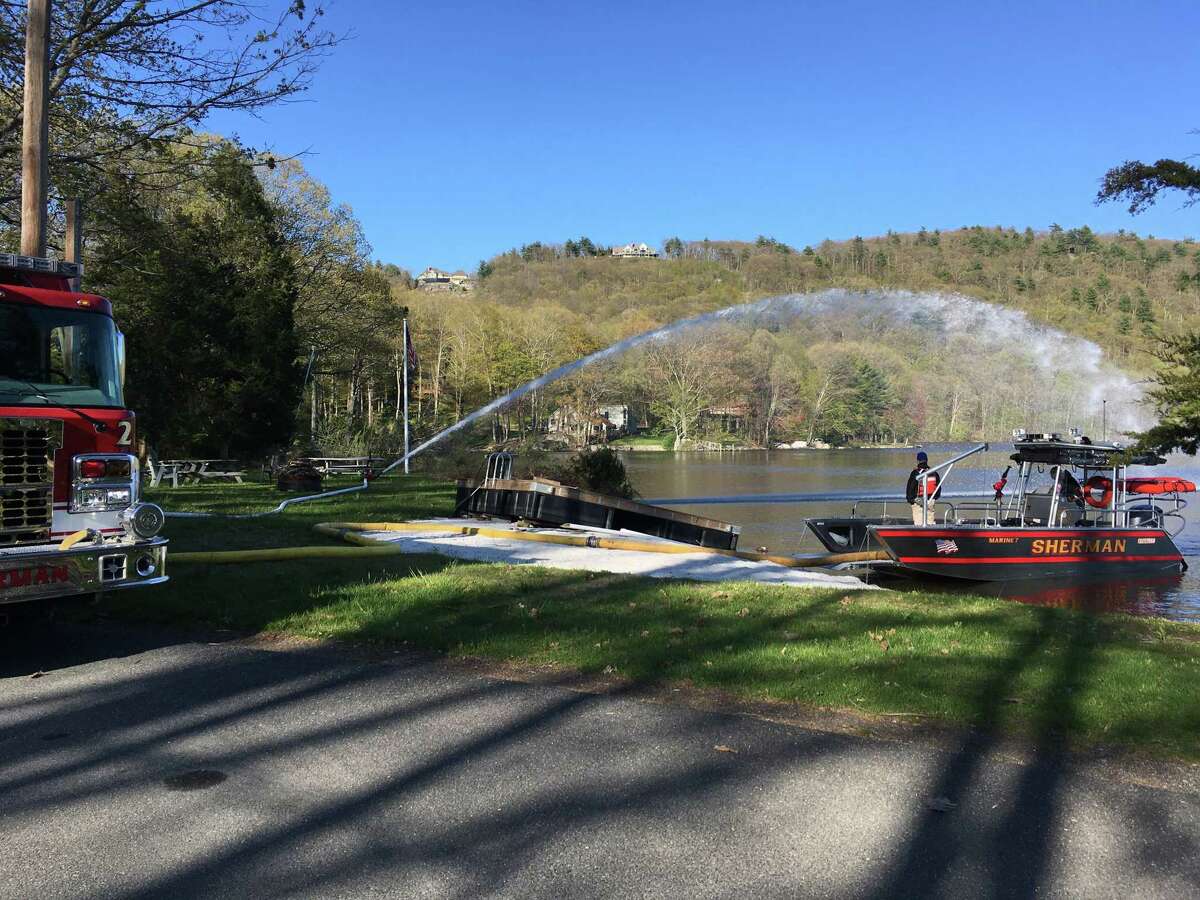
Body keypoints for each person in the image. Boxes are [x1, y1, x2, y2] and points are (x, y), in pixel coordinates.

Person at [906, 451, 941, 525]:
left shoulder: (915, 473)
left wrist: (911, 500)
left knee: (919, 525)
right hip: (930, 502)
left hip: (918, 503)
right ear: (927, 460)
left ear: (918, 461)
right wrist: (933, 499)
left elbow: (910, 489)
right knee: (930, 524)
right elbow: (938, 490)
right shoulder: (934, 473)